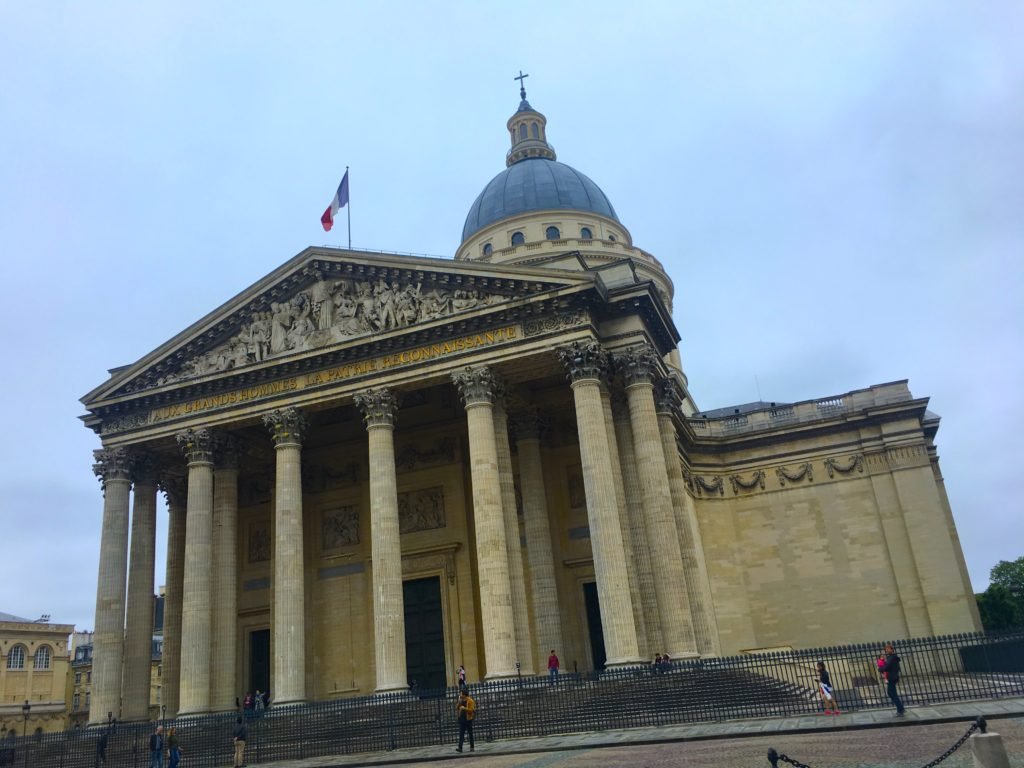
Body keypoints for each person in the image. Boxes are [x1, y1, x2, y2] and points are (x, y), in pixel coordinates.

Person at [880, 643, 906, 716]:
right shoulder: (892, 657)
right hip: (893, 677)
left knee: (892, 693)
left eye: (888, 649)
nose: (887, 650)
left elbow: (887, 667)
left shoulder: (891, 658)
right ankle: (901, 708)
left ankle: (900, 710)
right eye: (886, 649)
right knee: (891, 693)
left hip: (891, 677)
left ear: (892, 649)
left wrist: (880, 669)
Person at [455, 689, 476, 753]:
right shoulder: (461, 700)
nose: (460, 695)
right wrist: (459, 702)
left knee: (470, 734)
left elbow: (471, 710)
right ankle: (460, 747)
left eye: (461, 693)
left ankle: (472, 747)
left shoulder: (470, 701)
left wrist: (464, 708)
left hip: (468, 719)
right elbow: (457, 708)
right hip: (462, 719)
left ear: (464, 694)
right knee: (461, 734)